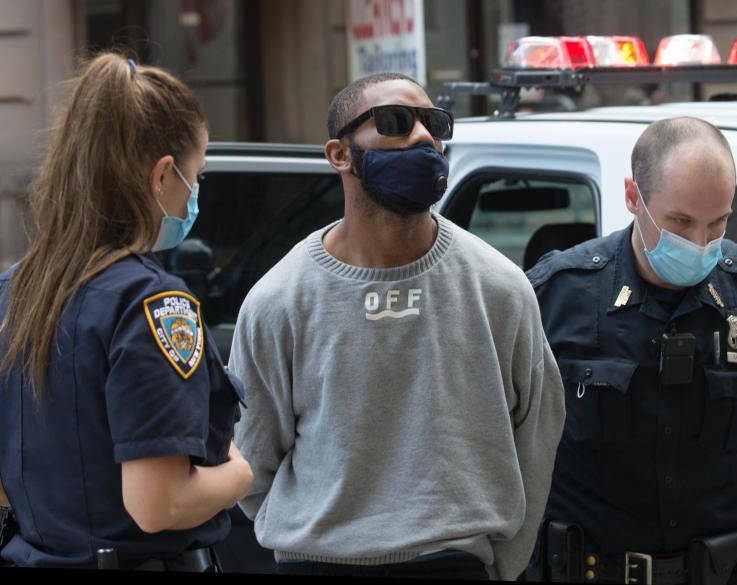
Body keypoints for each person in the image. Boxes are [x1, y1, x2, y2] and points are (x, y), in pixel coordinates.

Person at [229, 72, 566, 580]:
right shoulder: (279, 300)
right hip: (318, 563)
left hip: (455, 566)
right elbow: (251, 460)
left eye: (433, 123)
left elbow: (538, 437)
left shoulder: (499, 287)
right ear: (339, 155)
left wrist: (501, 567)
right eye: (395, 122)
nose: (424, 137)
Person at [0, 53, 253, 570]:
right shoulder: (154, 304)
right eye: (196, 174)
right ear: (163, 175)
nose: (195, 192)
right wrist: (240, 475)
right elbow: (159, 503)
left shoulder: (8, 292)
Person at [526, 117, 737, 585]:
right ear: (632, 197)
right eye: (681, 222)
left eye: (719, 222)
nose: (700, 243)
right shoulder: (556, 297)